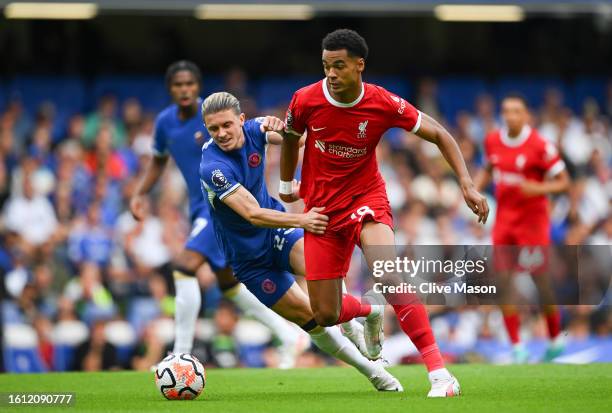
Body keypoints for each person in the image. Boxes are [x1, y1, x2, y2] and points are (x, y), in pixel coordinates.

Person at [280, 29, 489, 397]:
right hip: (321, 212)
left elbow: (440, 133)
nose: (330, 73)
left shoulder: (382, 102)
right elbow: (290, 137)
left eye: (339, 66)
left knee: (387, 273)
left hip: (366, 200)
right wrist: (285, 184)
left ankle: (440, 374)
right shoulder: (305, 100)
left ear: (359, 65)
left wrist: (467, 183)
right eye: (326, 65)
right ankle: (368, 311)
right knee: (325, 314)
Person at [199, 91, 402, 391]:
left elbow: (303, 140)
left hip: (277, 234)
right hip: (249, 261)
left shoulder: (256, 129)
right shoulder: (212, 168)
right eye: (213, 129)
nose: (222, 133)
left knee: (325, 279)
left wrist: (284, 129)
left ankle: (359, 317)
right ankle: (374, 373)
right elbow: (253, 214)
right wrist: (302, 218)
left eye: (227, 125)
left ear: (241, 119)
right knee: (313, 321)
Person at [130, 61, 302, 366]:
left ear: (197, 87)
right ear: (170, 89)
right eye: (177, 85)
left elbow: (254, 136)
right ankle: (287, 333)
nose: (184, 90)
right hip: (198, 208)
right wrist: (141, 192)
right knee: (228, 283)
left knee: (184, 266)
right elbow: (158, 161)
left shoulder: (213, 117)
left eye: (189, 84)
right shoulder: (165, 123)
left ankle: (180, 353)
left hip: (222, 207)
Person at [475, 94, 570, 363]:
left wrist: (539, 187)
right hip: (505, 220)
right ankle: (517, 347)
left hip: (533, 223)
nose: (510, 116)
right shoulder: (493, 140)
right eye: (506, 111)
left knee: (541, 282)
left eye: (516, 111)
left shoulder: (540, 145)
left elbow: (564, 182)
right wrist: (475, 189)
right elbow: (489, 167)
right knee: (502, 281)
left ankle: (554, 339)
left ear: (526, 115)